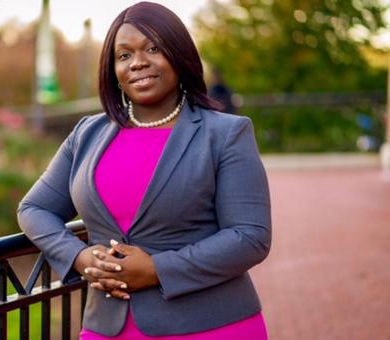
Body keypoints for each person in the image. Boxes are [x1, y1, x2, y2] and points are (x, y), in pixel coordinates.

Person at [17, 2, 271, 339]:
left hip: (210, 325)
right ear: (113, 70)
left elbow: (250, 236)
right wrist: (79, 257)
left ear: (179, 56)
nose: (138, 62)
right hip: (106, 327)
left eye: (153, 48)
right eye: (124, 55)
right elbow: (34, 208)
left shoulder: (225, 133)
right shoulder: (87, 134)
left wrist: (158, 269)